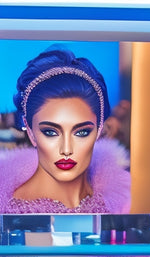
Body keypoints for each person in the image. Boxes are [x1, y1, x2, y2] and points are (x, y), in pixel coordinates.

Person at [0, 47, 130, 213]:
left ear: (98, 131)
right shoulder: (8, 211)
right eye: (50, 132)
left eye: (81, 132)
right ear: (31, 133)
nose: (66, 150)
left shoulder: (125, 201)